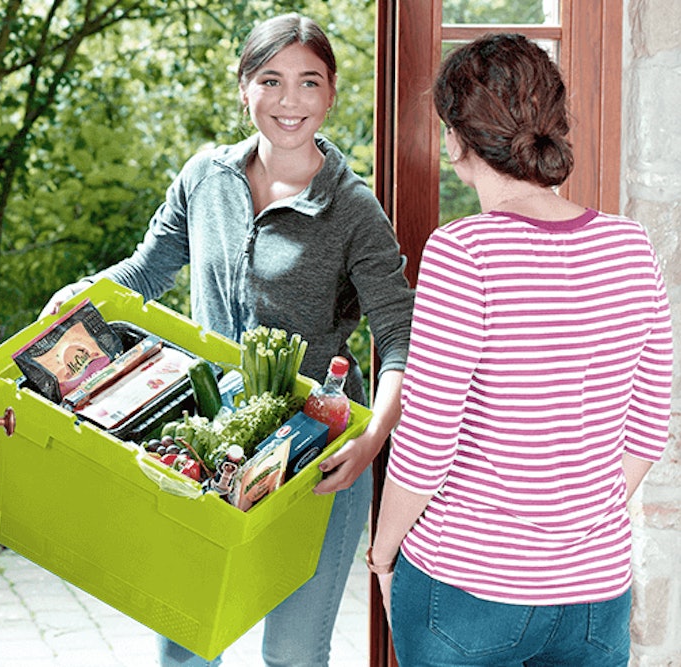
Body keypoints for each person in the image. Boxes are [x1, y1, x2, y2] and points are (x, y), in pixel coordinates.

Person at [40, 13, 414, 667]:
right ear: (243, 87)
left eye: (307, 82)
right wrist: (81, 294)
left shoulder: (353, 209)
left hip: (315, 450)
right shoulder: (205, 178)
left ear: (330, 94)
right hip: (210, 436)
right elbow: (147, 270)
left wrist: (371, 438)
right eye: (270, 80)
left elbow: (399, 337)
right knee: (184, 642)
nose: (288, 101)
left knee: (293, 653)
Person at [367, 33, 674, 667]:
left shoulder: (464, 252)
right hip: (596, 595)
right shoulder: (631, 247)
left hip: (467, 589)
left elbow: (425, 445)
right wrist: (568, 533)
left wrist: (383, 550)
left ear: (455, 138)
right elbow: (646, 433)